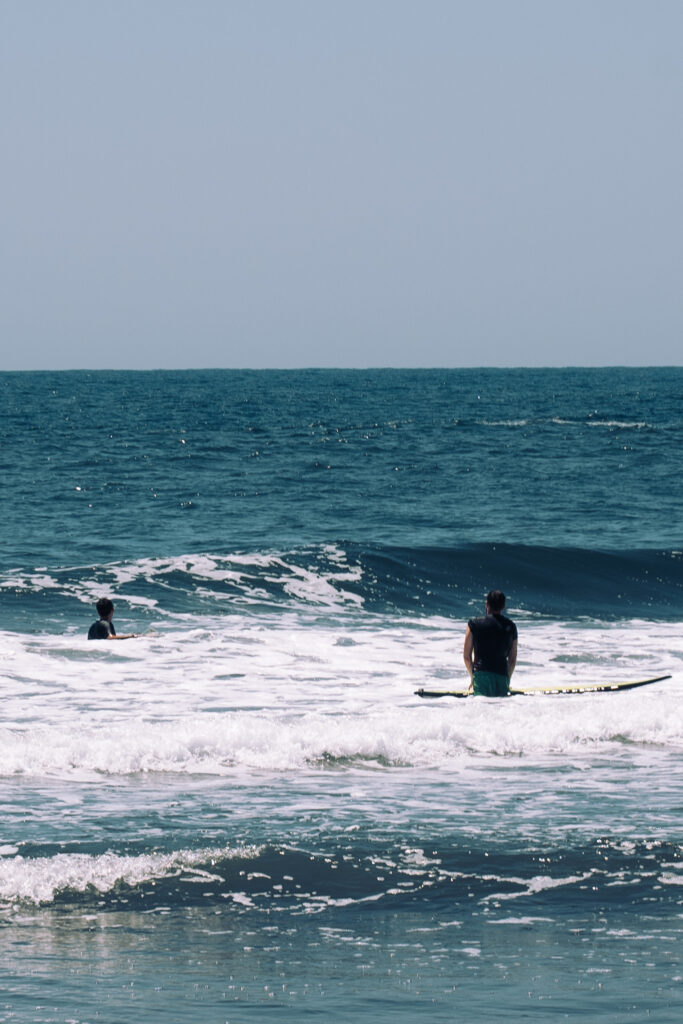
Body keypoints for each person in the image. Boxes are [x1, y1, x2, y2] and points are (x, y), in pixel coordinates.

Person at [463, 590, 517, 696]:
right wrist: (507, 679)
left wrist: (473, 678)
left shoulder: (474, 624)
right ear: (503, 606)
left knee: (482, 709)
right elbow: (512, 659)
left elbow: (466, 656)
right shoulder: (511, 626)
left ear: (487, 603)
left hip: (481, 675)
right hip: (502, 675)